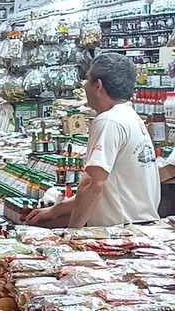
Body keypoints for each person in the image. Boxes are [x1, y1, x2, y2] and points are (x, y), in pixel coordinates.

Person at [27, 53, 160, 228]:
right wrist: (55, 211)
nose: (84, 85)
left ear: (98, 85)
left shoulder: (108, 121)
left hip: (121, 230)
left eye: (87, 79)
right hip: (140, 224)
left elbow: (93, 184)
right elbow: (102, 190)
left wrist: (72, 233)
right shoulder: (130, 116)